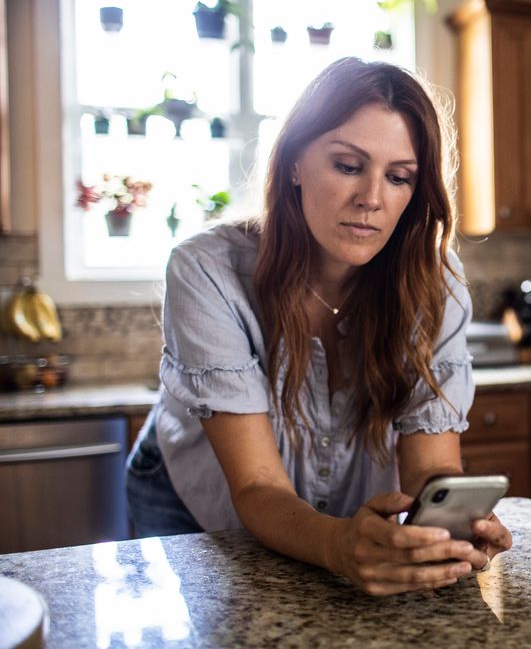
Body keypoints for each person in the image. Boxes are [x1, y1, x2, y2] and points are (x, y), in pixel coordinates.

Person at [125, 57, 511, 596]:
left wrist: (453, 524)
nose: (372, 199)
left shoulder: (434, 280)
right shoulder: (206, 270)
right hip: (191, 493)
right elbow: (258, 485)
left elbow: (432, 468)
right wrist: (336, 546)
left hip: (337, 511)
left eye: (399, 177)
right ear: (293, 163)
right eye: (349, 166)